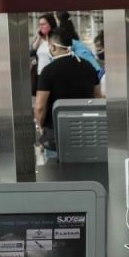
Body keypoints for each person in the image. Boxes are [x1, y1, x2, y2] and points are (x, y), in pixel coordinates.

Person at [34, 27, 102, 161]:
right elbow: (98, 98)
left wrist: (40, 125)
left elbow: (40, 106)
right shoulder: (88, 67)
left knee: (55, 176)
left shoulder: (48, 71)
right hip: (85, 134)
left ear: (53, 47)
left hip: (56, 136)